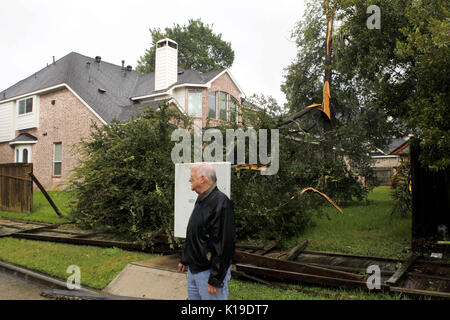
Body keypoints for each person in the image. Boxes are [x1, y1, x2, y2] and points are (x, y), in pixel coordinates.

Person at [178, 162, 236, 300]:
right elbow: (194, 232)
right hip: (194, 270)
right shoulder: (202, 199)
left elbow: (224, 244)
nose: (189, 179)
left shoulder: (221, 203)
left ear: (202, 178)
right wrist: (185, 259)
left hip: (208, 272)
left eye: (192, 176)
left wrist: (216, 279)